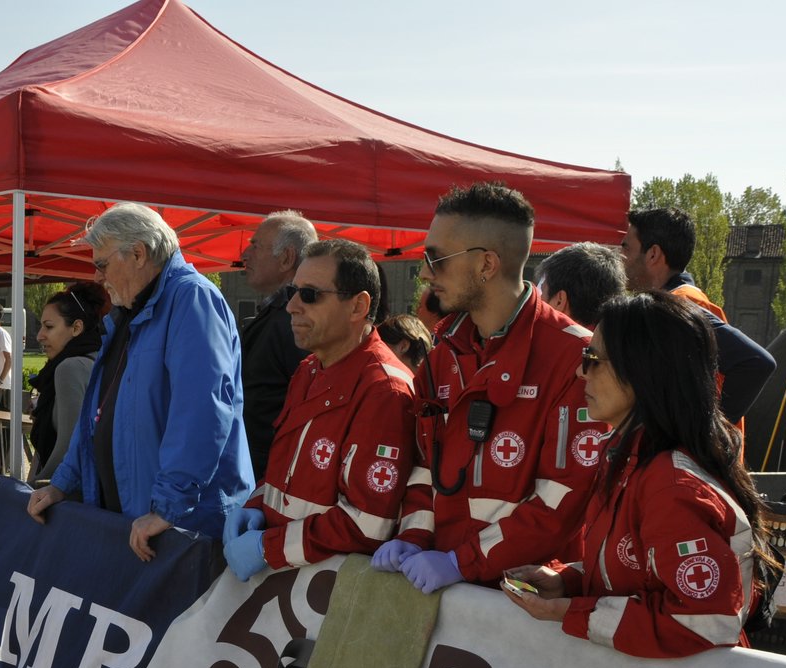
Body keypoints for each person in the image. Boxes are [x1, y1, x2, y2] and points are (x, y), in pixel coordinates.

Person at [504, 290, 776, 656]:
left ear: (643, 371)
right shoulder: (632, 459)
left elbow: (704, 621)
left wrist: (572, 611)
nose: (579, 370)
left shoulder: (671, 486)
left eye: (593, 358)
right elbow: (640, 571)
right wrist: (568, 581)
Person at [374, 182, 596, 594]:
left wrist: (462, 561)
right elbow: (424, 464)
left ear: (487, 265)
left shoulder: (576, 359)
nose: (424, 273)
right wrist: (415, 535)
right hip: (446, 591)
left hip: (524, 601)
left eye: (435, 259)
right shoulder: (445, 352)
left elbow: (562, 501)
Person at [26, 203, 253, 558]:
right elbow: (96, 413)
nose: (98, 277)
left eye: (102, 264)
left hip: (183, 529)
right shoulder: (129, 315)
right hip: (143, 523)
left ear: (138, 253)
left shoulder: (192, 299)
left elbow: (202, 412)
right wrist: (62, 484)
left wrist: (167, 507)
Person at [220, 239, 416, 579]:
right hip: (285, 582)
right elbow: (287, 472)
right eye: (293, 292)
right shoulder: (309, 370)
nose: (292, 306)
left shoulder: (386, 392)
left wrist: (268, 547)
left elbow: (367, 523)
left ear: (358, 307)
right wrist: (255, 505)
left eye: (309, 295)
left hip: (324, 595)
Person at [620, 206, 774, 421]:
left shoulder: (678, 304)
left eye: (626, 248)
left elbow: (756, 362)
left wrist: (705, 433)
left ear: (653, 254)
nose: (620, 257)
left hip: (697, 455)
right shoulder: (677, 300)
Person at [238, 210, 318, 478]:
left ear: (286, 258)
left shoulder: (297, 321)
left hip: (273, 478)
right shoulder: (279, 315)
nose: (244, 255)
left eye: (255, 245)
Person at [28, 281, 105, 482]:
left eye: (49, 327)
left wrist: (30, 489)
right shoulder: (99, 358)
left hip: (69, 498)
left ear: (77, 328)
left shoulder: (69, 368)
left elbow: (69, 448)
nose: (39, 336)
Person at [534, 241, 626, 329]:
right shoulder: (622, 339)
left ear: (560, 301)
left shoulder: (548, 343)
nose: (538, 299)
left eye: (541, 291)